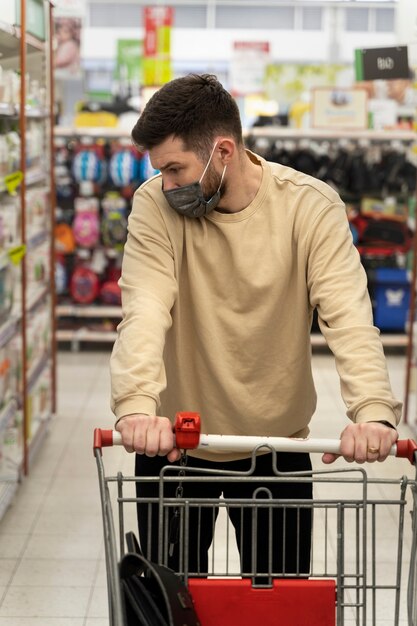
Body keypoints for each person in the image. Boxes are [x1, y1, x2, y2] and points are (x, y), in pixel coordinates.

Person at [110, 73, 400, 578]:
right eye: (161, 171)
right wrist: (135, 407)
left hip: (278, 448)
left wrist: (373, 411)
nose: (167, 185)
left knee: (277, 603)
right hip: (174, 445)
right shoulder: (154, 206)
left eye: (176, 169)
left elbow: (349, 317)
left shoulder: (309, 207)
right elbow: (145, 308)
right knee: (168, 603)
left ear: (223, 150)